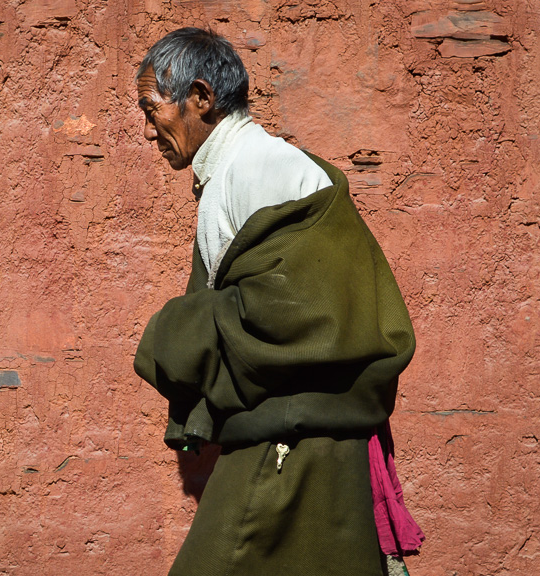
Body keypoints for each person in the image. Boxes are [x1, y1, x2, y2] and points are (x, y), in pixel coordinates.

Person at [133, 28, 423, 576]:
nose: (149, 131)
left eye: (152, 109)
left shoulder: (256, 167)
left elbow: (299, 312)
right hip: (295, 432)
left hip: (296, 439)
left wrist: (174, 330)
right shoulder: (239, 168)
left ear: (200, 97)